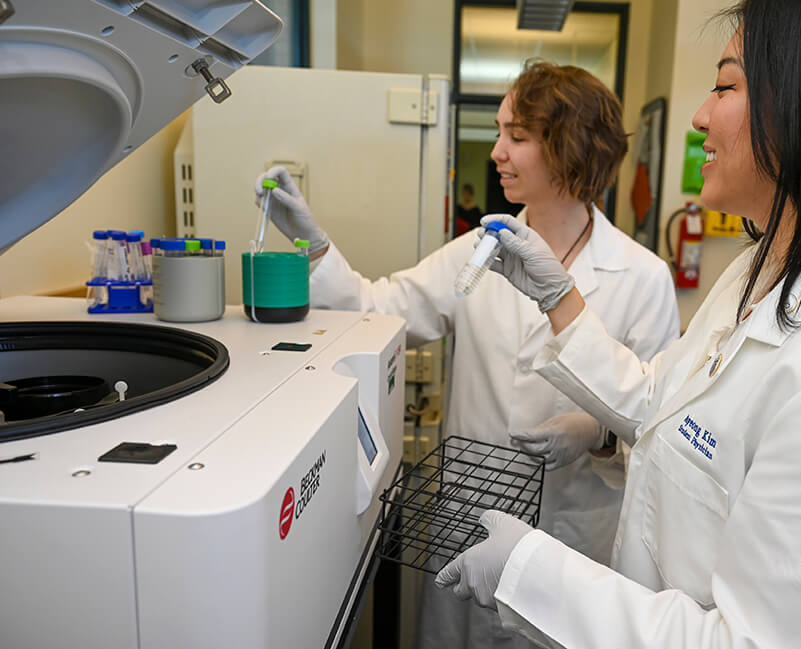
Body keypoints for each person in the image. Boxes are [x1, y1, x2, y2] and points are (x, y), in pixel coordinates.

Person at [434, 0, 801, 647]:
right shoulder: (759, 272)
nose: (700, 115)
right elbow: (663, 399)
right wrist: (562, 302)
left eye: (725, 88)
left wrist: (530, 574)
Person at [253, 60, 681, 649]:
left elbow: (663, 431)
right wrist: (312, 242)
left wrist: (595, 433)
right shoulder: (475, 252)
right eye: (502, 133)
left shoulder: (642, 276)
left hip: (574, 536)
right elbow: (376, 309)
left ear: (569, 150)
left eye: (518, 137)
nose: (498, 151)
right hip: (469, 523)